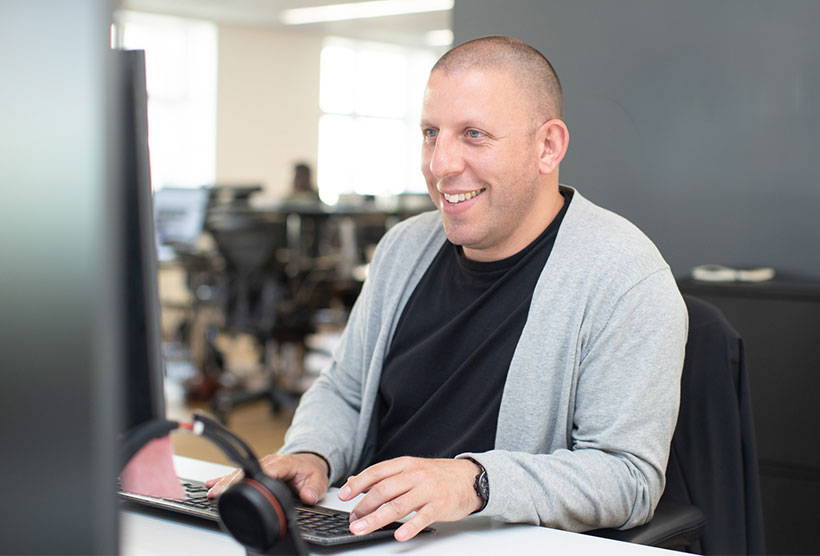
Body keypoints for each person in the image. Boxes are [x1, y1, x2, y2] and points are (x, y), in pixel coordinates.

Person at [207, 35, 687, 542]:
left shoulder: (624, 277)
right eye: (431, 133)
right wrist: (311, 452)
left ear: (547, 146)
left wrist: (476, 482)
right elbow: (345, 391)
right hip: (363, 531)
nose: (439, 165)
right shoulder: (403, 248)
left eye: (474, 134)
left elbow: (629, 478)